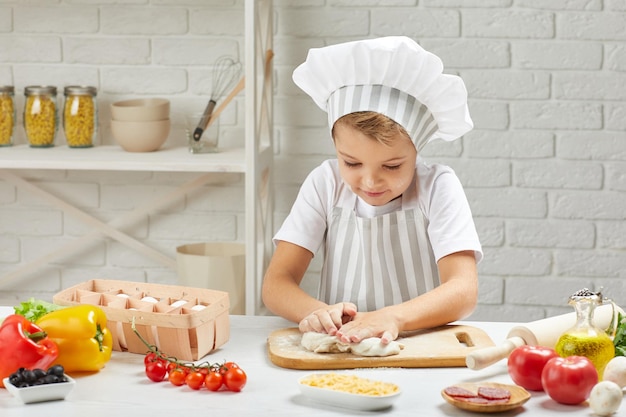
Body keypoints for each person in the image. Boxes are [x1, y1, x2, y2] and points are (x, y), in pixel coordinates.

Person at [262, 36, 483, 346]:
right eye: (351, 163)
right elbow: (276, 284)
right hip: (340, 344)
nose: (370, 182)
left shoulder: (437, 187)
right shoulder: (325, 183)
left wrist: (393, 317)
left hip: (419, 344)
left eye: (392, 166)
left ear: (416, 152)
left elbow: (463, 290)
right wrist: (317, 313)